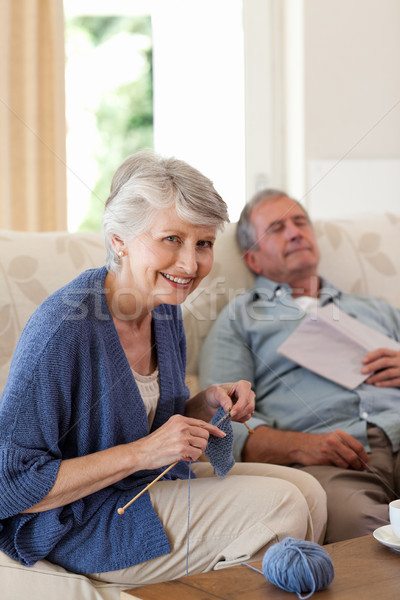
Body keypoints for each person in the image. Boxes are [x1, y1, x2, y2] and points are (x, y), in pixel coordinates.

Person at [0, 155, 327, 598]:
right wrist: (142, 453)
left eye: (204, 243)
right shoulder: (63, 328)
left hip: (143, 490)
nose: (190, 265)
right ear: (120, 240)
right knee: (282, 504)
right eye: (172, 239)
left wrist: (209, 401)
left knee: (308, 491)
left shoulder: (165, 311)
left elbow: (158, 425)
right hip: (82, 520)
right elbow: (13, 484)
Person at [199, 188, 400, 544]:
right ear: (254, 260)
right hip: (332, 462)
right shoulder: (239, 318)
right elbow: (218, 424)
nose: (294, 232)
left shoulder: (376, 308)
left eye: (299, 221)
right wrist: (299, 446)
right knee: (368, 538)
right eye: (276, 228)